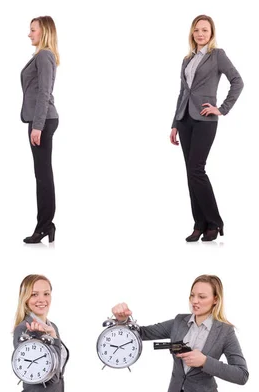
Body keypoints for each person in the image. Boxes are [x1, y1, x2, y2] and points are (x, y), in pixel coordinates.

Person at [169, 15, 243, 242]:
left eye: (205, 30)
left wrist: (221, 108)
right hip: (185, 119)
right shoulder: (187, 59)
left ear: (211, 33)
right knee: (190, 174)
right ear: (192, 33)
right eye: (197, 30)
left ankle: (214, 222)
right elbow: (183, 92)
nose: (201, 34)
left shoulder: (217, 55)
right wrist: (174, 124)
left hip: (204, 119)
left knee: (196, 170)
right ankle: (199, 223)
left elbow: (237, 81)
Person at [111, 274, 248, 392]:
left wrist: (205, 361)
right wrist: (123, 320)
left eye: (202, 296)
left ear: (215, 299)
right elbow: (142, 333)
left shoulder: (225, 331)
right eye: (192, 295)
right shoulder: (179, 321)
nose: (194, 301)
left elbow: (242, 375)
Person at [20, 16, 60, 244]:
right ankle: (46, 225)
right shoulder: (41, 55)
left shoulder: (44, 55)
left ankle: (44, 225)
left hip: (42, 121)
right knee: (42, 174)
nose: (29, 34)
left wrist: (38, 126)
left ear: (43, 31)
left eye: (33, 30)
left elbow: (45, 92)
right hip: (39, 120)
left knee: (43, 176)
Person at [13, 274, 68, 391]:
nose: (42, 299)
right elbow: (51, 378)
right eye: (34, 294)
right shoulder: (24, 329)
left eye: (46, 294)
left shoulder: (52, 326)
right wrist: (54, 338)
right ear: (25, 298)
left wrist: (53, 335)